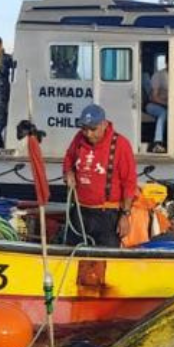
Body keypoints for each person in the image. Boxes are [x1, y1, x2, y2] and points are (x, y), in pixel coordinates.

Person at [61, 104, 138, 247]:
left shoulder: (121, 145)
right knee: (72, 253)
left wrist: (125, 215)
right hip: (80, 212)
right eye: (84, 129)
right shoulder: (79, 139)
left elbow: (129, 183)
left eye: (93, 129)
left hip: (106, 216)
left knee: (105, 260)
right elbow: (69, 158)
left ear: (104, 124)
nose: (88, 134)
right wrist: (68, 172)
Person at [145, 62, 168, 153]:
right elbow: (153, 97)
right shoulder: (158, 75)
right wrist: (166, 104)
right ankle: (157, 142)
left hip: (168, 105)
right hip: (152, 105)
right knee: (163, 113)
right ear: (167, 63)